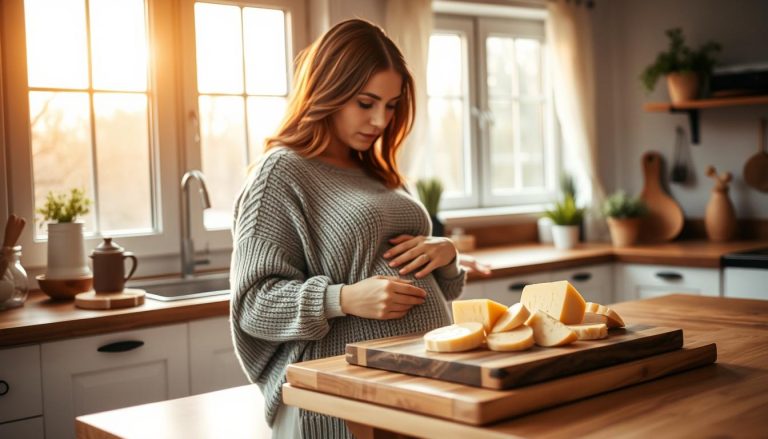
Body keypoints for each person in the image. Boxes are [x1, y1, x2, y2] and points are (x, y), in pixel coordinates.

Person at [230, 19, 467, 438]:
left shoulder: (377, 171)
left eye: (391, 105)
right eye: (365, 102)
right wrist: (344, 298)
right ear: (328, 92)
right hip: (341, 399)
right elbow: (253, 304)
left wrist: (445, 254)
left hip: (417, 387)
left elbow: (435, 288)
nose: (380, 120)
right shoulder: (281, 174)